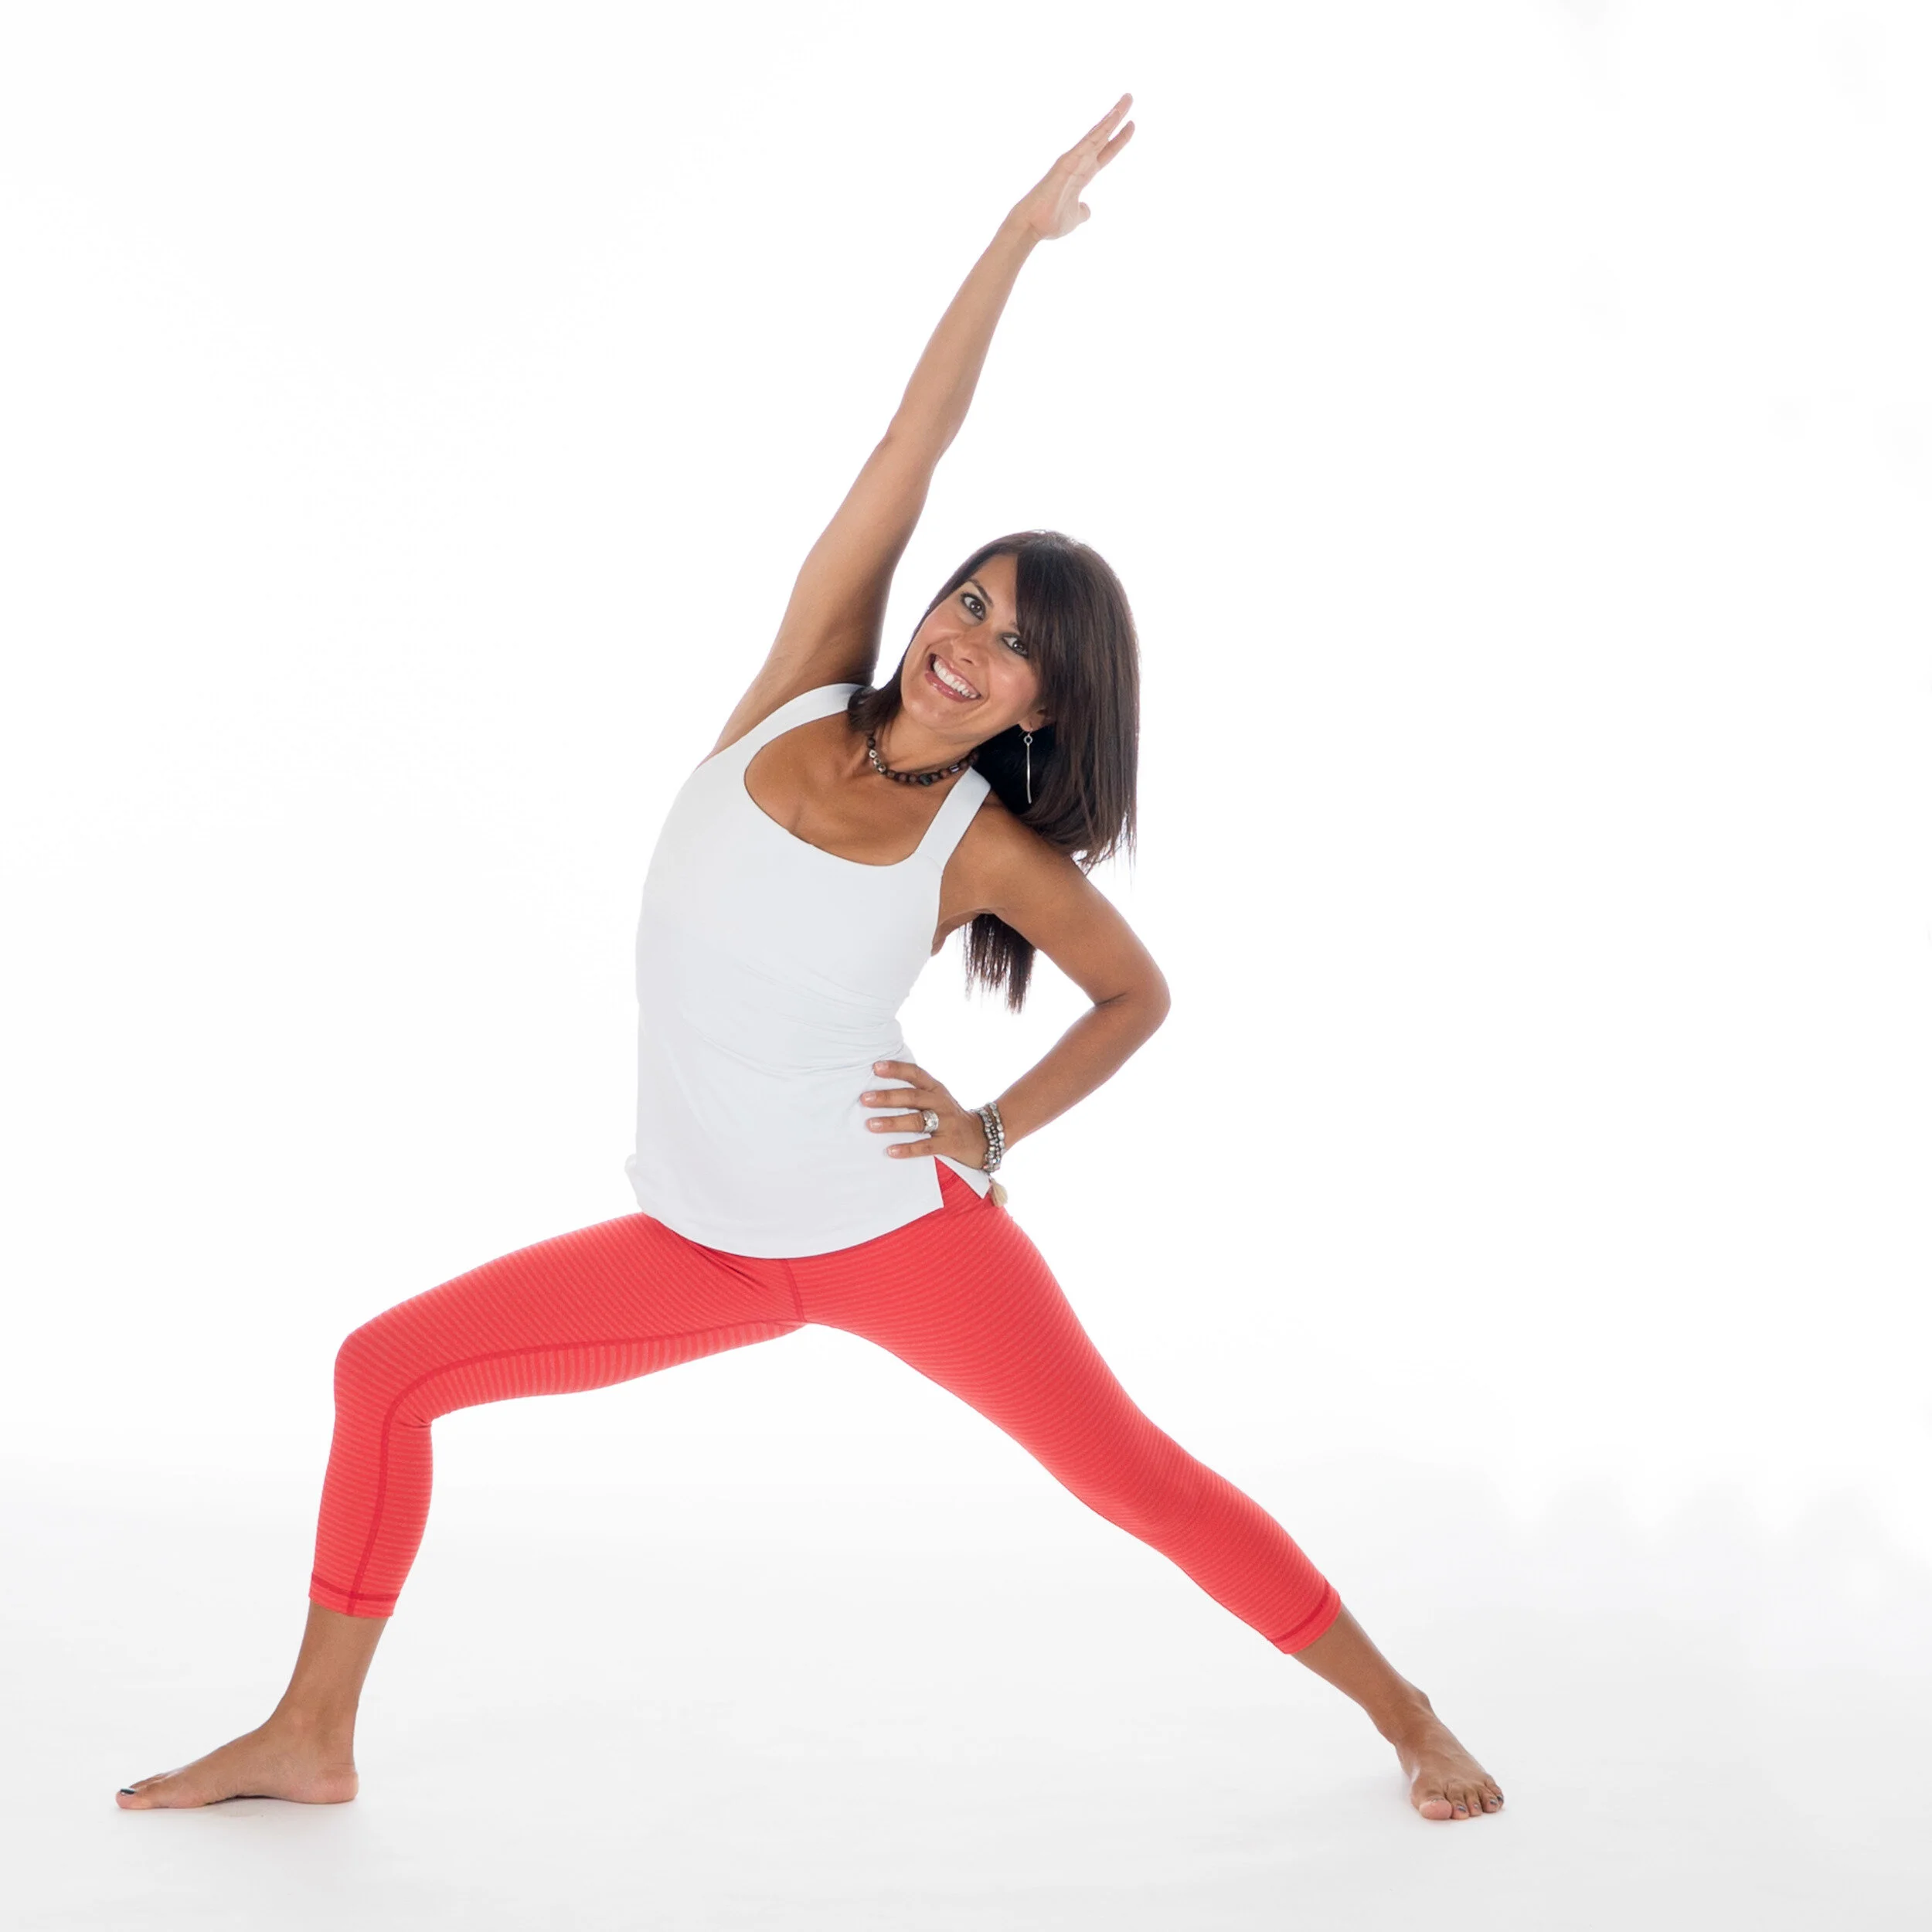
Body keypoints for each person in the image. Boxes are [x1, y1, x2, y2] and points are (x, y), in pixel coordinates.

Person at [116, 94, 1502, 1825]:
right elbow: (916, 434)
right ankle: (311, 1734)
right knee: (381, 1369)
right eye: (971, 602)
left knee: (1129, 1474)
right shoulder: (798, 685)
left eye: (1015, 648)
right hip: (702, 1237)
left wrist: (991, 1128)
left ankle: (1405, 1709)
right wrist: (1015, 239)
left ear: (1045, 706)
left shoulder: (977, 849)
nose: (970, 641)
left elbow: (1137, 994)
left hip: (886, 1233)